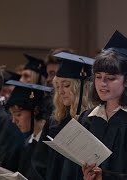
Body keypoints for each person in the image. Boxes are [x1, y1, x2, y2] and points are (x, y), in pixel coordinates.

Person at [81, 31, 127, 180]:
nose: (102, 84)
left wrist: (106, 177)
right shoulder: (88, 118)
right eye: (98, 77)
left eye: (111, 78)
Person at [30, 52, 95, 180]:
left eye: (66, 85)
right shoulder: (55, 122)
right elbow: (39, 163)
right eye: (57, 86)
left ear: (82, 87)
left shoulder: (93, 120)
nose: (61, 92)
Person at [5, 80, 52, 179]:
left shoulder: (49, 143)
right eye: (12, 115)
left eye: (18, 114)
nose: (14, 121)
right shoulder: (27, 143)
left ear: (35, 110)